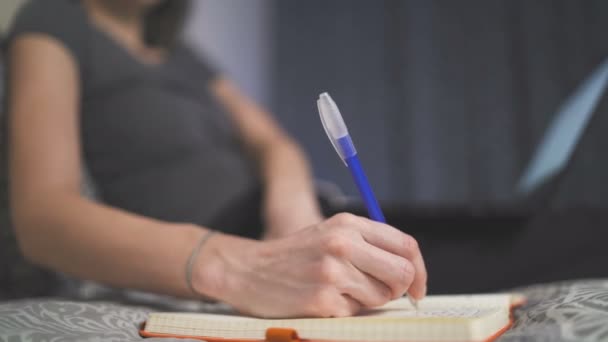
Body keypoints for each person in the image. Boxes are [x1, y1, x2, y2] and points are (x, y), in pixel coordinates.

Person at [3, 0, 426, 318]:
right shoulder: (52, 21)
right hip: (231, 237)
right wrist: (236, 267)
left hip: (286, 222)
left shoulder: (180, 54)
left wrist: (291, 207)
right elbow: (42, 219)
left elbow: (273, 142)